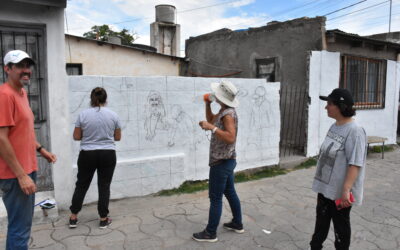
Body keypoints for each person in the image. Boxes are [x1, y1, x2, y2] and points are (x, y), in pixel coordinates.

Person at [0, 50, 57, 250]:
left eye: (28, 66)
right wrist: (22, 176)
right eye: (20, 66)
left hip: (26, 168)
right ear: (7, 69)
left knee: (23, 225)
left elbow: (22, 132)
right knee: (19, 227)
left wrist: (41, 150)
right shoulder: (5, 95)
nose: (26, 70)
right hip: (15, 174)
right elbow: (1, 139)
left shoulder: (21, 93)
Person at [310, 88, 367, 250]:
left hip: (339, 192)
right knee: (320, 223)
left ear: (341, 106)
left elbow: (355, 163)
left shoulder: (355, 131)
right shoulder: (335, 126)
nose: (326, 107)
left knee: (340, 228)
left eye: (329, 104)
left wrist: (346, 190)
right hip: (325, 187)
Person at [192, 81, 243, 242]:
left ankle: (210, 233)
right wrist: (208, 105)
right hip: (227, 160)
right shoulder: (224, 110)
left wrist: (211, 128)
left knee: (215, 198)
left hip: (221, 162)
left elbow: (230, 137)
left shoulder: (228, 114)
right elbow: (212, 121)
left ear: (221, 97)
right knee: (229, 191)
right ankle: (237, 223)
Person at [69, 87, 121, 229]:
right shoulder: (113, 115)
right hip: (107, 153)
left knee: (82, 185)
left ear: (91, 99)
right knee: (104, 186)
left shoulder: (83, 115)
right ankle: (103, 219)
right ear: (106, 99)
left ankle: (73, 217)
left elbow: (76, 136)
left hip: (87, 154)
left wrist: (90, 136)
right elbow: (117, 137)